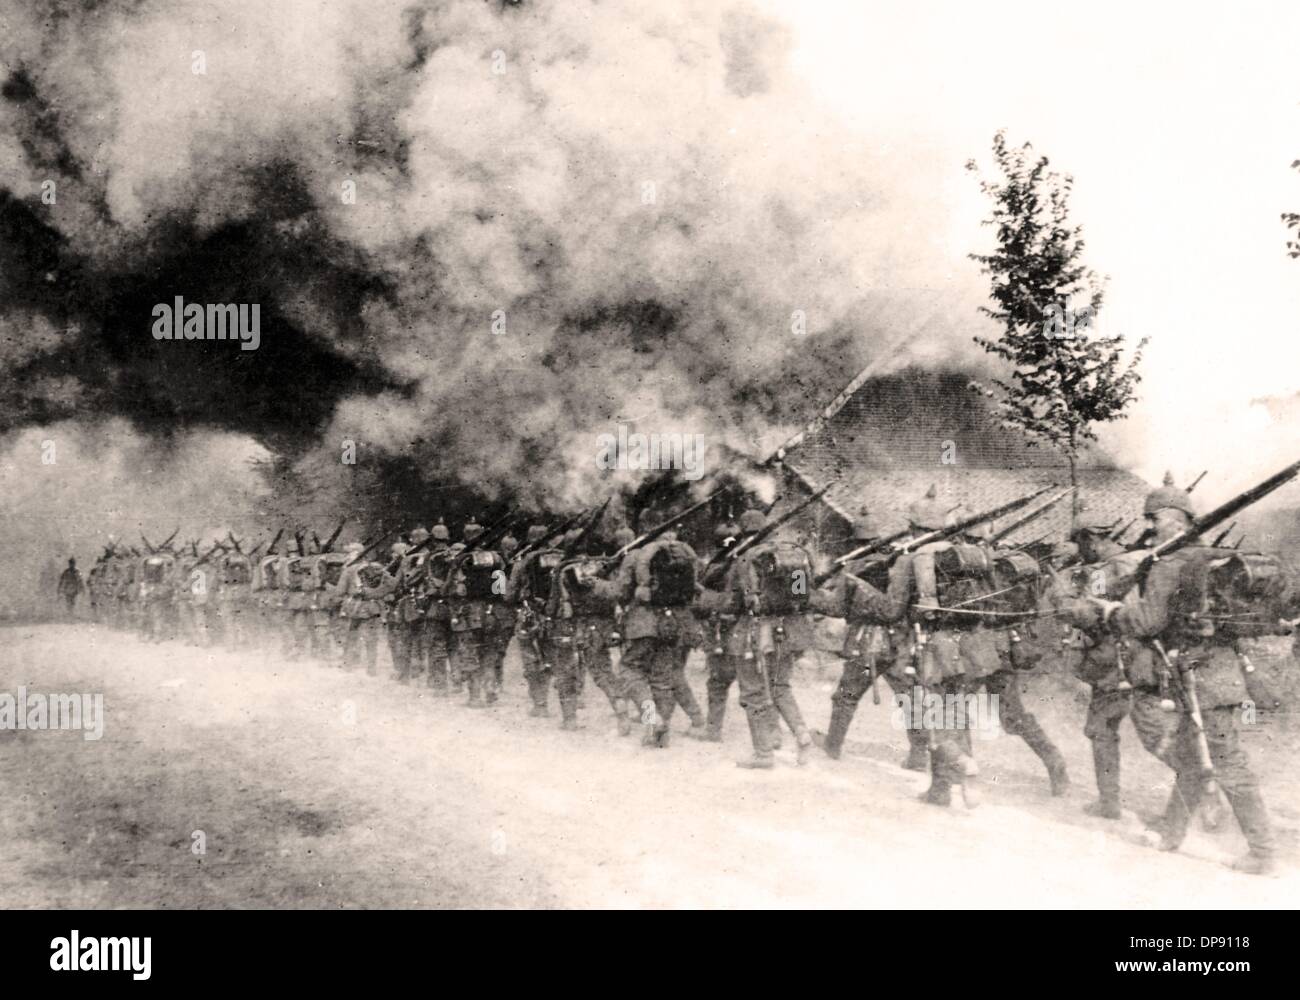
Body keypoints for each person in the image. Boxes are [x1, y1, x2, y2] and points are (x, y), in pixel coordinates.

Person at [1078, 476, 1277, 874]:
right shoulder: (1208, 558)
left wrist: (1108, 612)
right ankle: (1171, 832)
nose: (1148, 528)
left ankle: (1263, 852)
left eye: (1153, 519)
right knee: (1190, 758)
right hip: (1213, 673)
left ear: (1172, 520)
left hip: (1199, 678)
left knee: (1227, 763)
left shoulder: (1171, 563)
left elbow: (1147, 621)